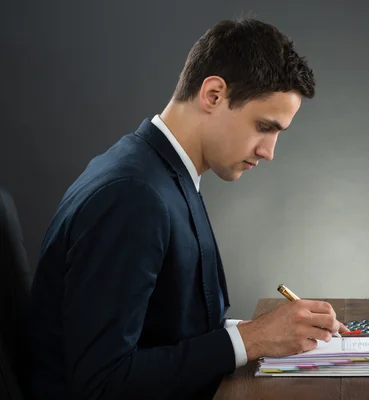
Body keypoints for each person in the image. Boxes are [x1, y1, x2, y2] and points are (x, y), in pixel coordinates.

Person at [27, 17, 349, 400]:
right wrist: (253, 338)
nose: (269, 151)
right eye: (264, 126)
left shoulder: (159, 171)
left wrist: (264, 334)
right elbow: (102, 383)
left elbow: (162, 326)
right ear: (213, 94)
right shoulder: (133, 195)